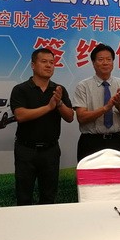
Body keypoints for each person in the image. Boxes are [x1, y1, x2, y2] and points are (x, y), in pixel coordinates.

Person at [10, 48, 74, 205]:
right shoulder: (21, 89)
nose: (49, 65)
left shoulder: (58, 89)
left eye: (52, 62)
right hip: (26, 150)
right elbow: (20, 115)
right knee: (24, 197)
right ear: (33, 65)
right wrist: (49, 107)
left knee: (48, 197)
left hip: (50, 150)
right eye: (44, 62)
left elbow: (70, 117)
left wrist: (59, 103)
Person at [74, 43, 120, 162]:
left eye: (109, 59)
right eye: (101, 59)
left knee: (118, 174)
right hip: (90, 142)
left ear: (113, 63)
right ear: (93, 63)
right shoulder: (83, 86)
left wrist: (119, 106)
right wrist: (106, 108)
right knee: (90, 174)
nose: (105, 63)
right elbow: (81, 117)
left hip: (116, 140)